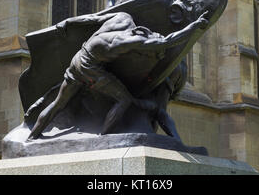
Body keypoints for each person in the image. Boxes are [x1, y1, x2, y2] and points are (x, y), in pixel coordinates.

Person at [27, 10, 208, 140]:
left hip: (78, 60)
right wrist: (195, 26)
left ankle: (32, 136)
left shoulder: (122, 18)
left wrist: (69, 22)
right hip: (90, 69)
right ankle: (103, 138)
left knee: (59, 103)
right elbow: (169, 41)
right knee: (124, 100)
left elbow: (93, 18)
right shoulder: (133, 41)